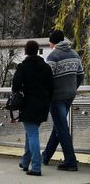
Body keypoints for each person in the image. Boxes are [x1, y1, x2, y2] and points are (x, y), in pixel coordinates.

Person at [42, 30, 83, 171]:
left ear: (53, 42)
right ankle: (46, 156)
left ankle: (71, 162)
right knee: (59, 127)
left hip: (57, 97)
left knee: (62, 128)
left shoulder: (53, 57)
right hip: (69, 96)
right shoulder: (75, 54)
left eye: (50, 41)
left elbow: (46, 79)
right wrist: (72, 88)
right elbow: (80, 75)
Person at [13, 40, 53, 176]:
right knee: (30, 133)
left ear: (26, 51)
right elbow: (51, 87)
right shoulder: (46, 67)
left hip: (29, 104)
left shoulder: (23, 67)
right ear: (37, 51)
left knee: (32, 134)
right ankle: (25, 162)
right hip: (43, 104)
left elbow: (16, 86)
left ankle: (36, 167)